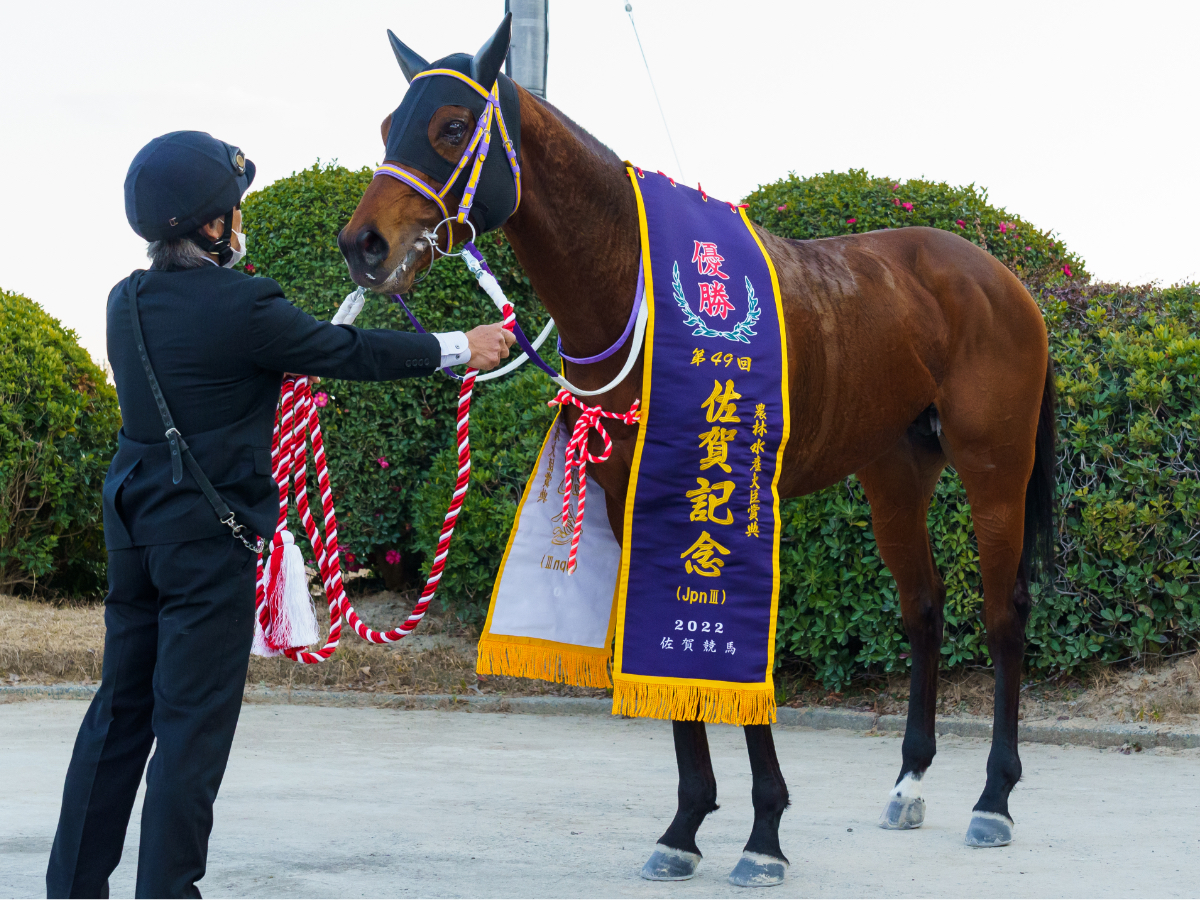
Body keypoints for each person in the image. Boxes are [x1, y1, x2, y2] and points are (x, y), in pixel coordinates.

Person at [45, 130, 514, 899]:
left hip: (134, 530)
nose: (239, 221)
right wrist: (462, 345)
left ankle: (72, 888)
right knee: (190, 733)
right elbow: (345, 349)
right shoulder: (243, 304)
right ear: (208, 227)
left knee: (118, 715)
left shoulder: (124, 300)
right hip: (206, 541)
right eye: (232, 211)